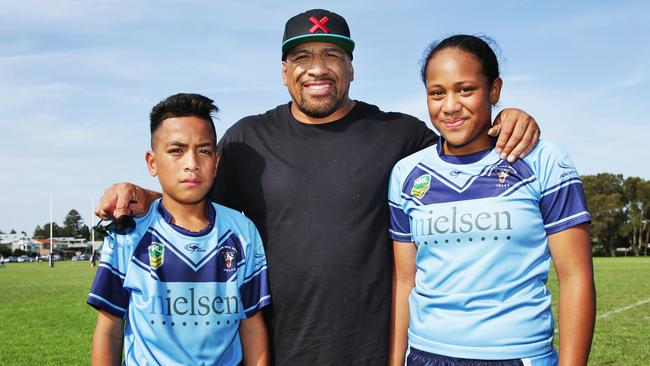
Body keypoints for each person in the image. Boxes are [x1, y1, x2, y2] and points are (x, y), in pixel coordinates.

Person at [95, 10, 541, 365]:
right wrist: (146, 195)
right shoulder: (249, 139)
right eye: (303, 57)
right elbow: (196, 202)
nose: (317, 69)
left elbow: (463, 142)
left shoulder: (399, 136)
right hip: (280, 348)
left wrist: (506, 118)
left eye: (331, 55)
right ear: (284, 70)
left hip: (372, 350)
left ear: (351, 67)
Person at [388, 35, 596, 366]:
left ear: (494, 90)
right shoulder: (406, 174)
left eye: (465, 89)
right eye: (437, 93)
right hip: (425, 355)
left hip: (517, 356)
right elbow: (405, 281)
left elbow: (575, 278)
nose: (450, 105)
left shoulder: (544, 160)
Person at [87, 93, 271, 366]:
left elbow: (252, 325)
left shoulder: (242, 232)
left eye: (204, 150)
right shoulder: (129, 234)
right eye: (176, 150)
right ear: (152, 162)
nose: (192, 163)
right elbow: (110, 327)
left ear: (216, 162)